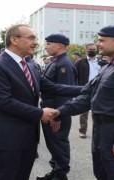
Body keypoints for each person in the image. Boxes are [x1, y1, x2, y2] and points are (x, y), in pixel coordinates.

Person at [52, 24, 114, 180]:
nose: (98, 44)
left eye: (101, 40)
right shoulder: (108, 67)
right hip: (101, 132)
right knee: (102, 174)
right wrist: (60, 112)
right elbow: (87, 97)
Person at [0, 24, 82, 180]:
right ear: (14, 39)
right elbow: (2, 101)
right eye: (31, 38)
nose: (36, 43)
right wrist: (40, 113)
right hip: (7, 139)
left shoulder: (30, 65)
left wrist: (90, 88)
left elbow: (53, 87)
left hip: (28, 138)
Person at [37, 34, 77, 180]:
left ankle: (61, 174)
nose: (46, 46)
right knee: (52, 144)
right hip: (49, 110)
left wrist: (58, 115)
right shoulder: (54, 62)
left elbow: (65, 93)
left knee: (59, 143)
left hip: (56, 112)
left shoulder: (64, 64)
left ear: (59, 45)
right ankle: (55, 170)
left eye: (49, 44)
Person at [74, 43, 100, 138]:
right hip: (85, 90)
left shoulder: (101, 62)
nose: (92, 50)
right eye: (90, 49)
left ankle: (97, 132)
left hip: (99, 90)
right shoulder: (80, 62)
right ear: (85, 50)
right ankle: (83, 131)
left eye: (94, 49)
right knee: (84, 112)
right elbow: (74, 76)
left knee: (97, 112)